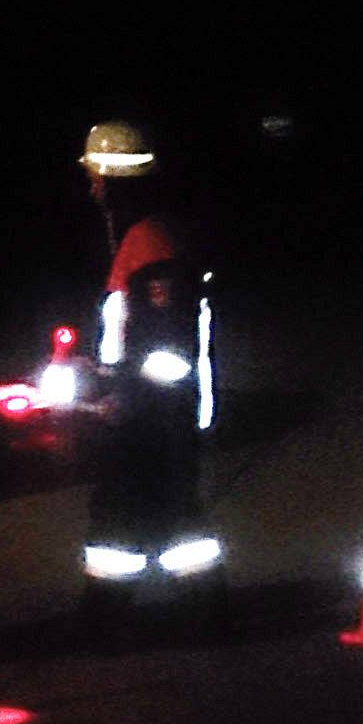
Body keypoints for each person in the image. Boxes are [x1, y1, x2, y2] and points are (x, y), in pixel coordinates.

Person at [77, 122, 221, 591]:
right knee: (175, 529)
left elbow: (167, 353)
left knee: (125, 531)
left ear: (113, 181)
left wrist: (122, 395)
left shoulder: (151, 243)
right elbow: (131, 334)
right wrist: (101, 372)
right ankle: (202, 613)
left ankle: (106, 617)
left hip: (154, 422)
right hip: (153, 418)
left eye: (96, 178)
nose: (91, 188)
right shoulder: (141, 237)